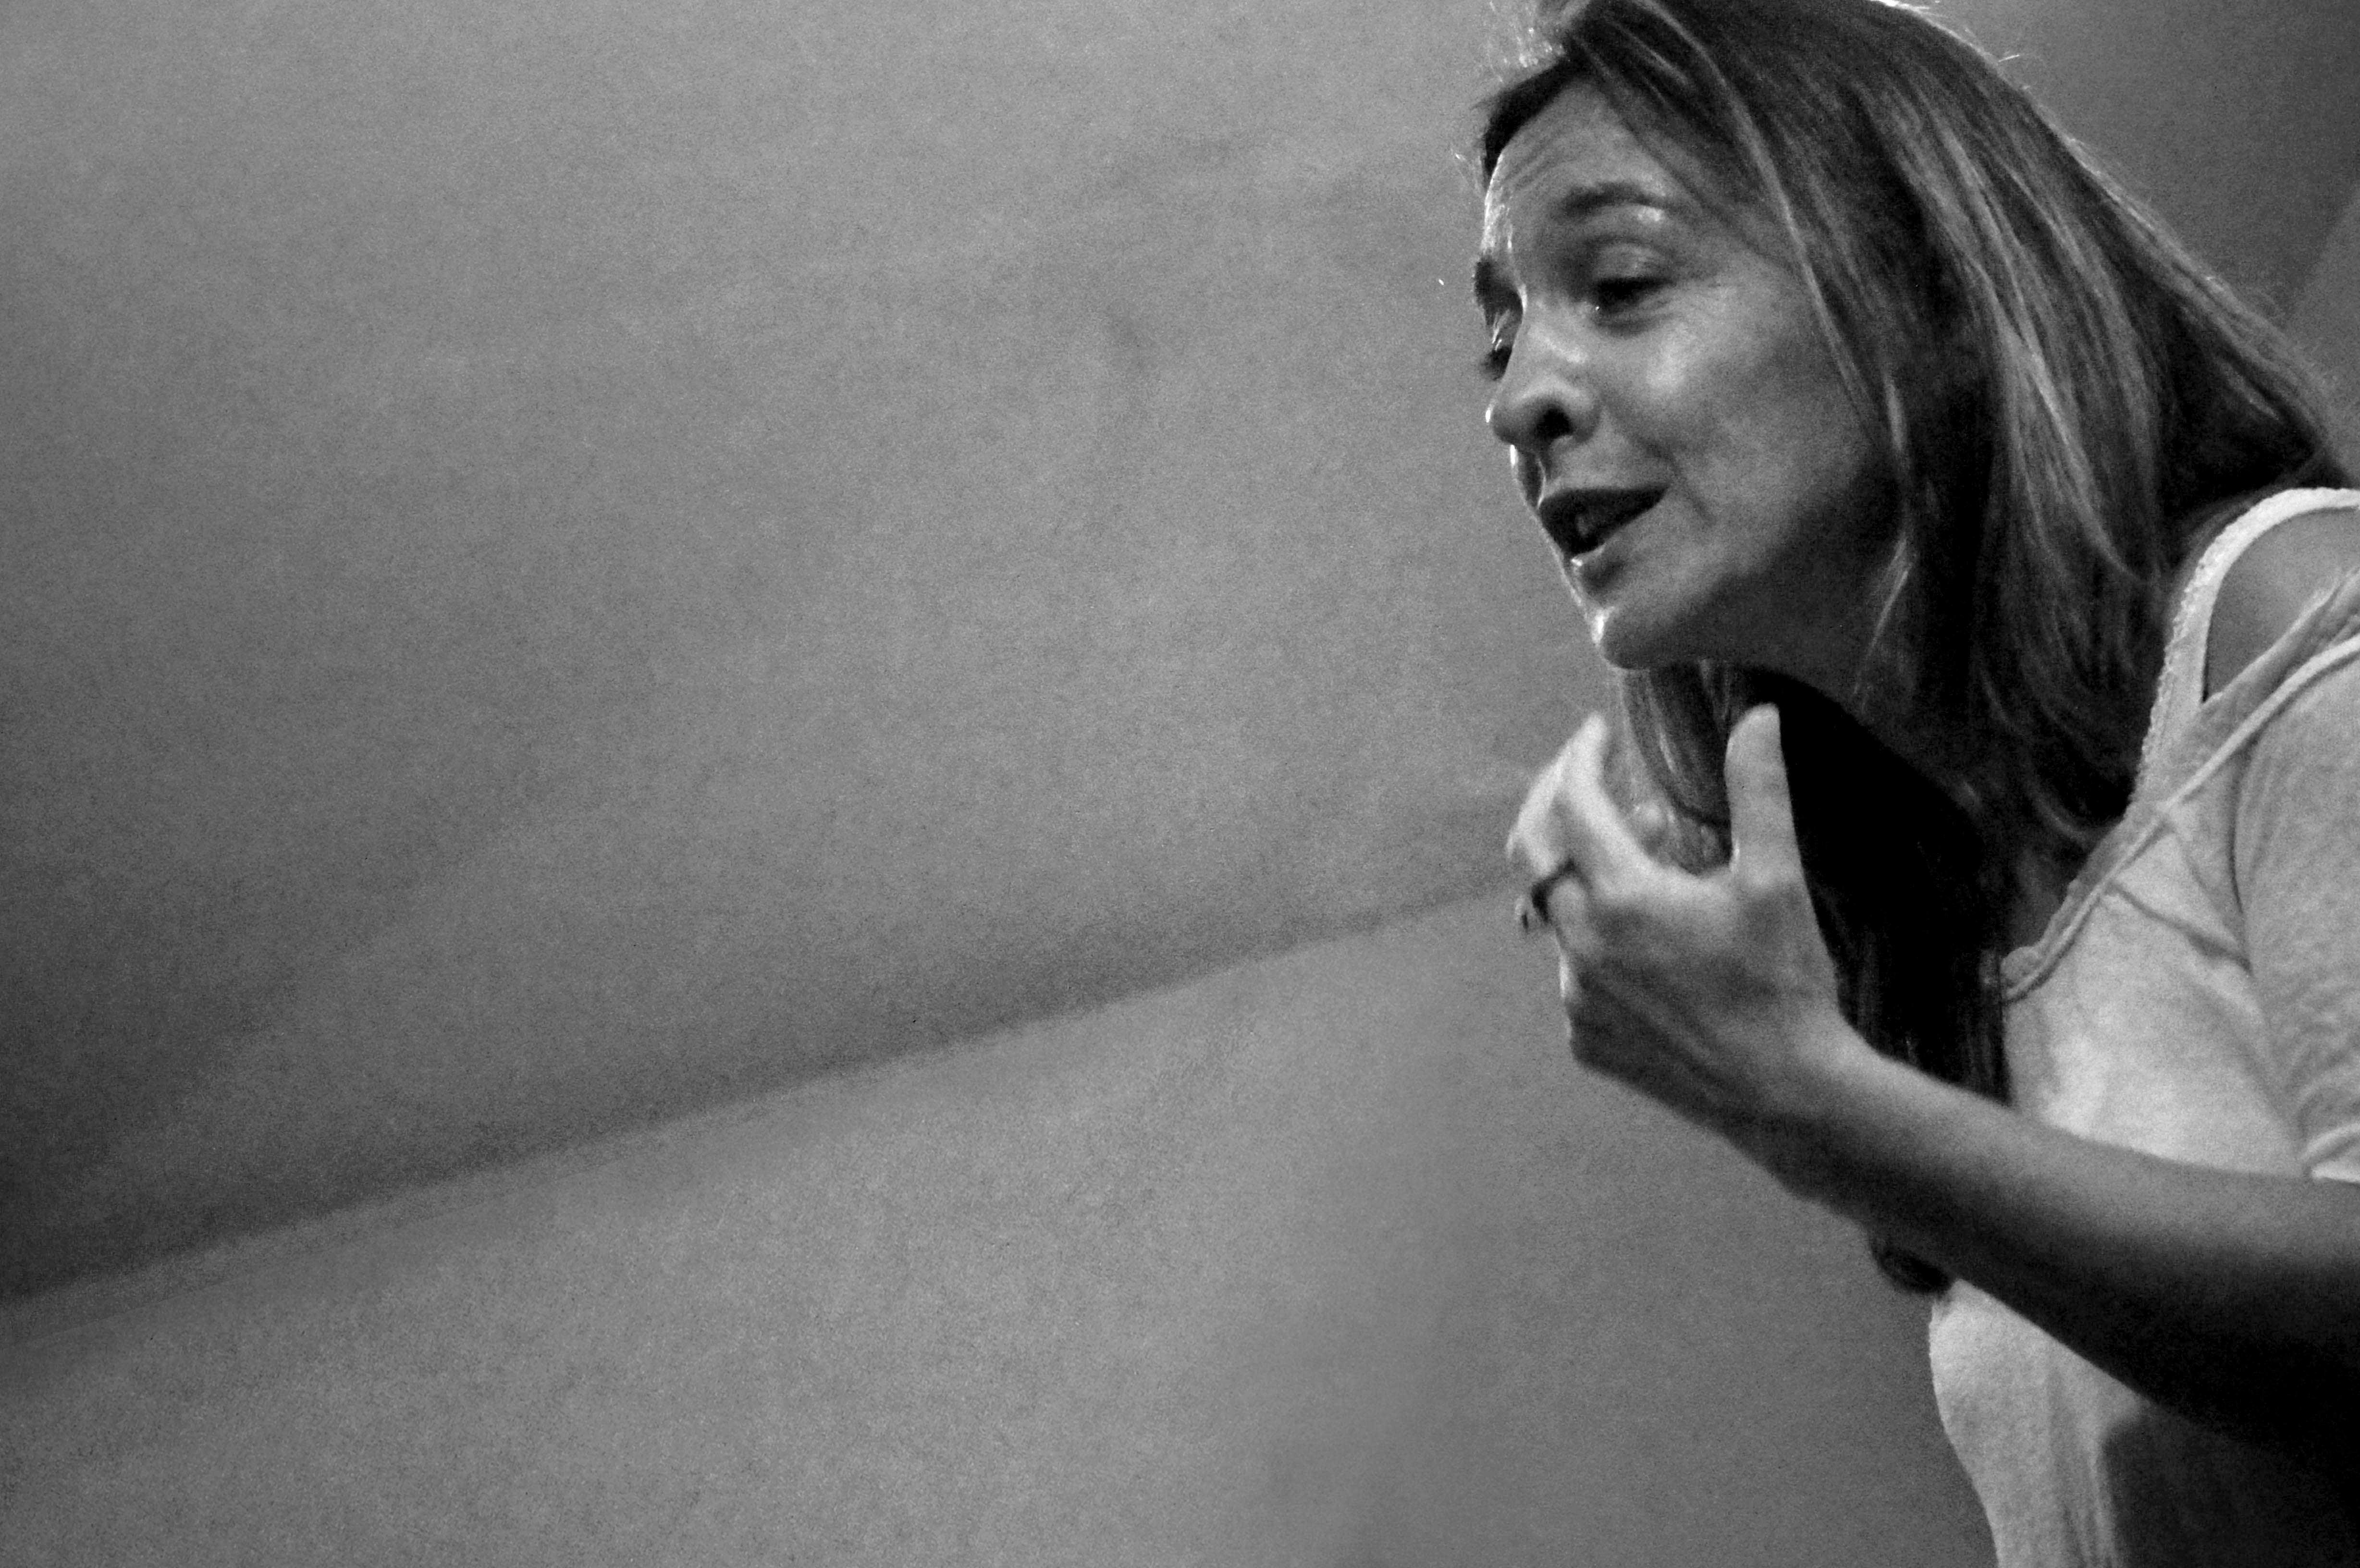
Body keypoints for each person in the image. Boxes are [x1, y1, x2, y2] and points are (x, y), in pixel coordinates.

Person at [1476, 0, 2360, 1560]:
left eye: (1620, 286)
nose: (1518, 399)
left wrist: (1815, 1105)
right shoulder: (1932, 900)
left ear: (1925, 289)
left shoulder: (2293, 613)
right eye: (1504, 334)